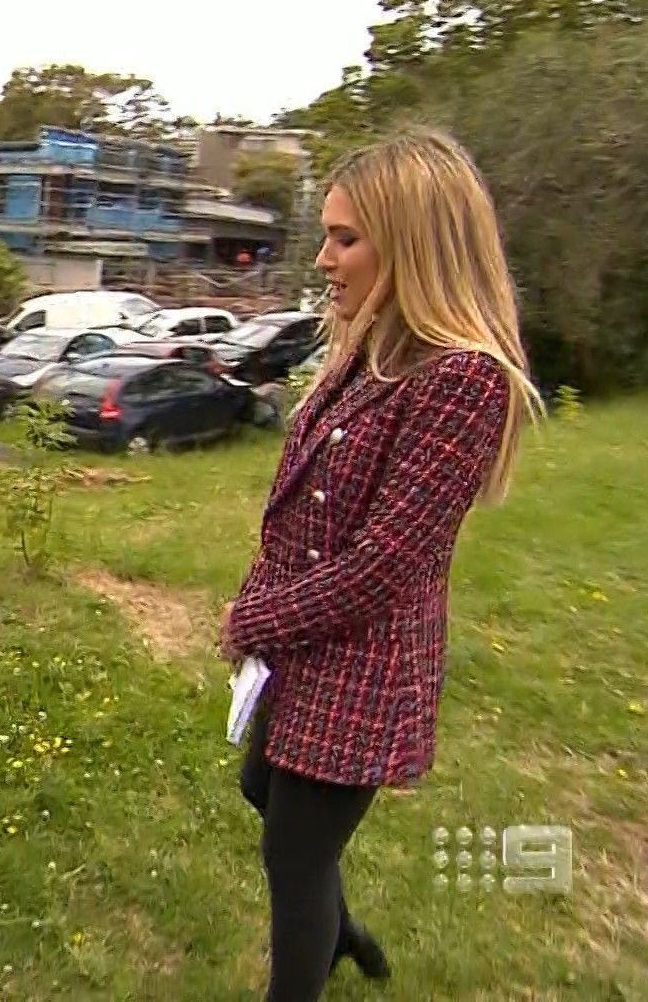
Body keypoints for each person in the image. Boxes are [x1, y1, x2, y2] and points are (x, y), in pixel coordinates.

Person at [219, 128, 544, 1001]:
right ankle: (338, 931)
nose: (324, 258)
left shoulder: (463, 381)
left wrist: (252, 620)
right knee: (263, 789)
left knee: (294, 852)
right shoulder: (370, 348)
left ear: (415, 244)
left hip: (361, 664)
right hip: (305, 647)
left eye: (346, 238)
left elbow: (382, 568)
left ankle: (311, 961)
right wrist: (264, 612)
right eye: (327, 235)